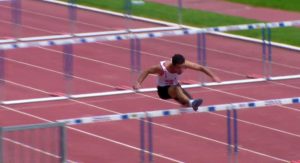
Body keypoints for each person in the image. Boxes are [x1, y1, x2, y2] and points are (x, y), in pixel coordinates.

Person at [133, 54, 221, 111]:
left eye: (183, 67)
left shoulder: (183, 63)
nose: (181, 70)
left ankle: (188, 102)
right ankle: (190, 102)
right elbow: (147, 71)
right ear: (173, 65)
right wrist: (138, 82)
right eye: (179, 68)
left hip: (175, 86)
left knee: (188, 102)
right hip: (163, 90)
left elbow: (201, 67)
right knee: (178, 89)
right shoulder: (161, 68)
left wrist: (213, 76)